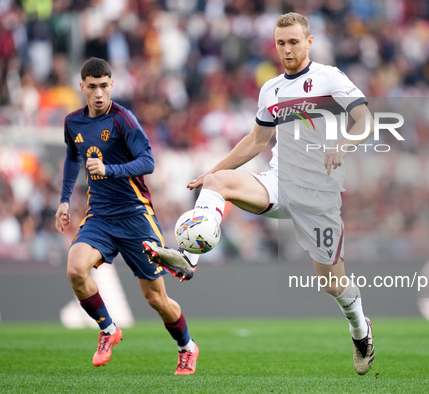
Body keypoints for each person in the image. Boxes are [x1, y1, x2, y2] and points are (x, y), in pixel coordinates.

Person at [144, 12, 375, 375]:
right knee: (217, 183)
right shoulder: (271, 89)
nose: (286, 49)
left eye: (293, 42)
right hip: (278, 183)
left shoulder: (329, 78)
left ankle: (361, 330)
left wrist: (343, 145)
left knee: (331, 282)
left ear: (309, 42)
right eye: (281, 42)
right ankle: (189, 260)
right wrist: (213, 170)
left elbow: (365, 120)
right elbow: (257, 140)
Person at [55, 57, 199, 375]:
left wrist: (110, 169)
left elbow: (148, 162)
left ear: (112, 86)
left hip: (135, 216)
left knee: (156, 299)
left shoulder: (123, 119)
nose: (98, 93)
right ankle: (108, 329)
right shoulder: (73, 122)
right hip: (100, 216)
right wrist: (64, 200)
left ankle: (187, 347)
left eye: (104, 86)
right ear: (82, 87)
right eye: (92, 87)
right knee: (76, 269)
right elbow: (71, 156)